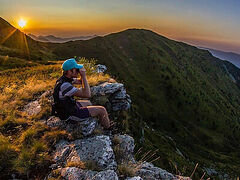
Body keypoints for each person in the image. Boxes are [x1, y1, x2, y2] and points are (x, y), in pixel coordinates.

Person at [52, 58, 111, 129]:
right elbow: (87, 94)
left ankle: (100, 121)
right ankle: (108, 129)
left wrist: (81, 75)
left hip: (67, 107)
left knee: (88, 103)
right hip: (68, 114)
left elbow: (80, 81)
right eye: (76, 70)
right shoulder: (65, 85)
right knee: (102, 110)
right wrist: (83, 76)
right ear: (69, 71)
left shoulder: (63, 79)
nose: (78, 71)